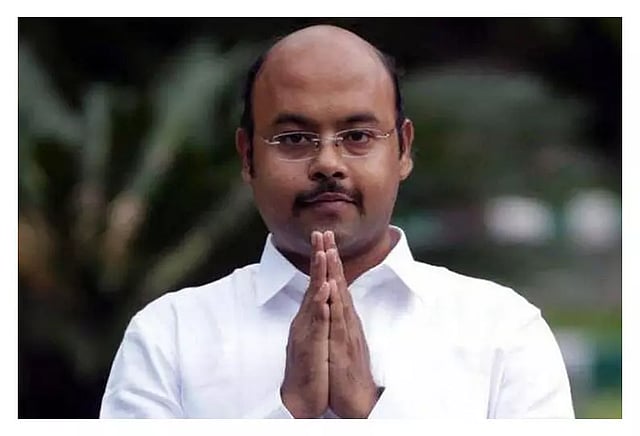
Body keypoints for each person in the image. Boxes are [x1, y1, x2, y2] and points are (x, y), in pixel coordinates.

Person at [100, 24, 574, 419]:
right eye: (293, 138)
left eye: (358, 135)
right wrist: (289, 412)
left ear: (403, 150)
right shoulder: (169, 336)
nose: (328, 162)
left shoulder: (503, 332)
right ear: (247, 157)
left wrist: (371, 413)